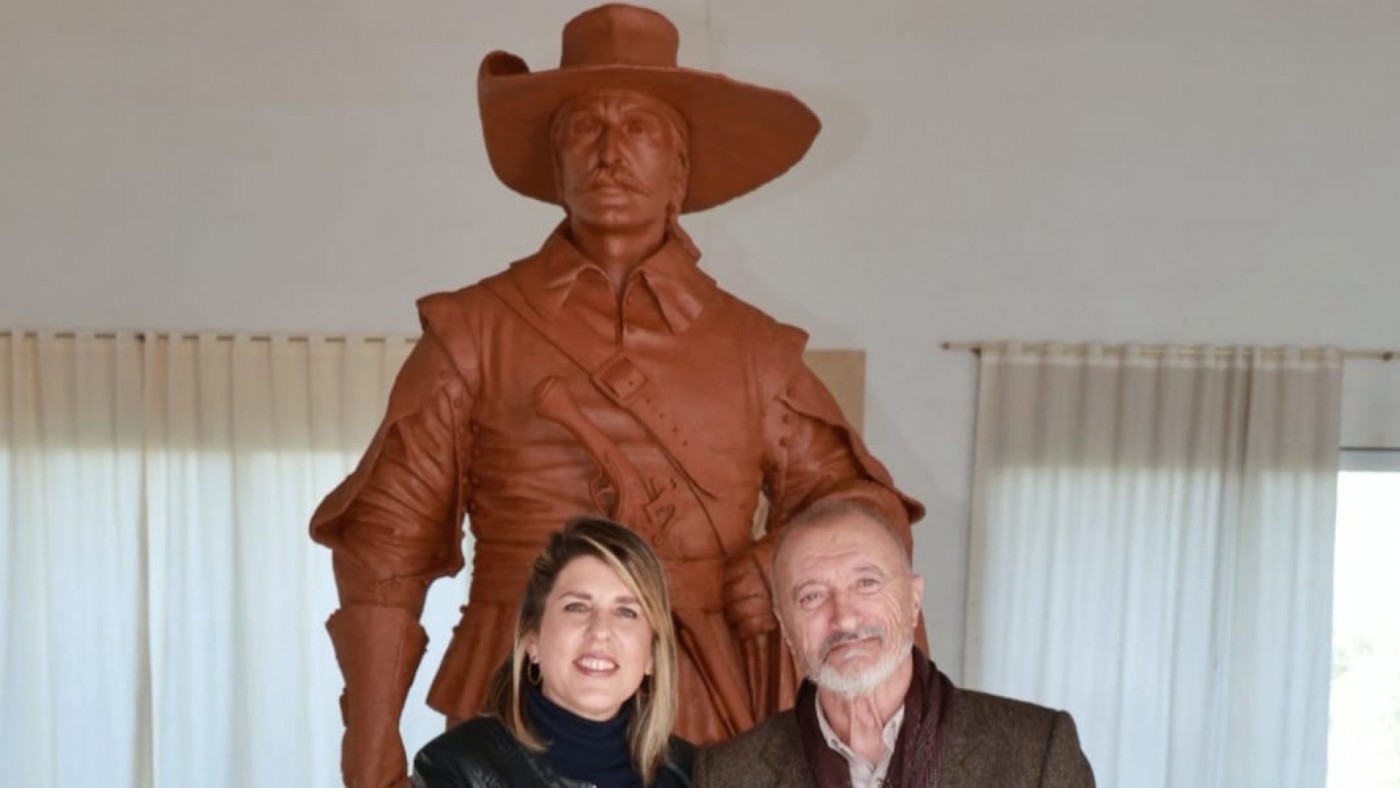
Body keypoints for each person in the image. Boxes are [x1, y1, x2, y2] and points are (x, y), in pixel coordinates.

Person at [309, 4, 922, 786]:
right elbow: (384, 547)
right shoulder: (473, 332)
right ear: (554, 164)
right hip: (515, 701)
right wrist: (368, 752)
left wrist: (773, 562)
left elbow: (864, 512)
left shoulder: (756, 352)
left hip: (703, 701)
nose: (609, 151)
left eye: (639, 129)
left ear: (682, 171)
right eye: (584, 129)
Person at [693, 500, 1096, 787]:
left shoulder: (1036, 750)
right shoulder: (727, 774)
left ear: (913, 600)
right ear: (784, 625)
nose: (845, 617)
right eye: (811, 596)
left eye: (867, 583)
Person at [410, 517, 692, 787]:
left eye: (626, 612)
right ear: (532, 640)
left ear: (653, 656)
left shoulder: (693, 774)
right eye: (577, 607)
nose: (600, 630)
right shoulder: (456, 768)